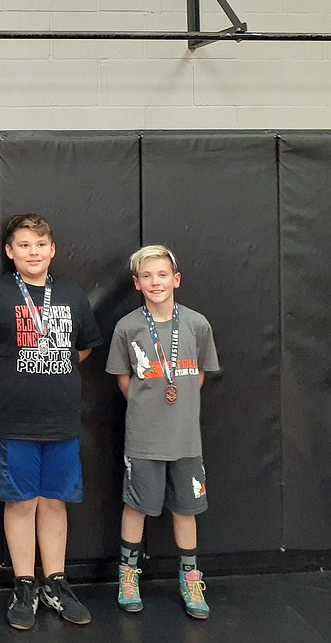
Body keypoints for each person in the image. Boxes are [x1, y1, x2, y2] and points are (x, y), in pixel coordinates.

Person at [0, 214, 101, 629]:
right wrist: (12, 374)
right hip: (13, 421)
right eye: (23, 245)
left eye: (40, 244)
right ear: (9, 252)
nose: (33, 252)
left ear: (53, 249)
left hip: (61, 420)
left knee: (55, 501)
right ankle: (24, 584)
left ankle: (55, 582)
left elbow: (83, 349)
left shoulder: (73, 295)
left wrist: (49, 367)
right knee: (21, 502)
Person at [105, 245, 219, 620]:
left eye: (163, 275)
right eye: (148, 276)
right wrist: (149, 403)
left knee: (186, 509)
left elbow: (198, 375)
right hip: (144, 437)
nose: (156, 282)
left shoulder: (197, 324)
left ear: (176, 280)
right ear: (137, 283)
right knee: (136, 505)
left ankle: (190, 579)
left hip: (186, 438)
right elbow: (125, 380)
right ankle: (128, 576)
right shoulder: (128, 327)